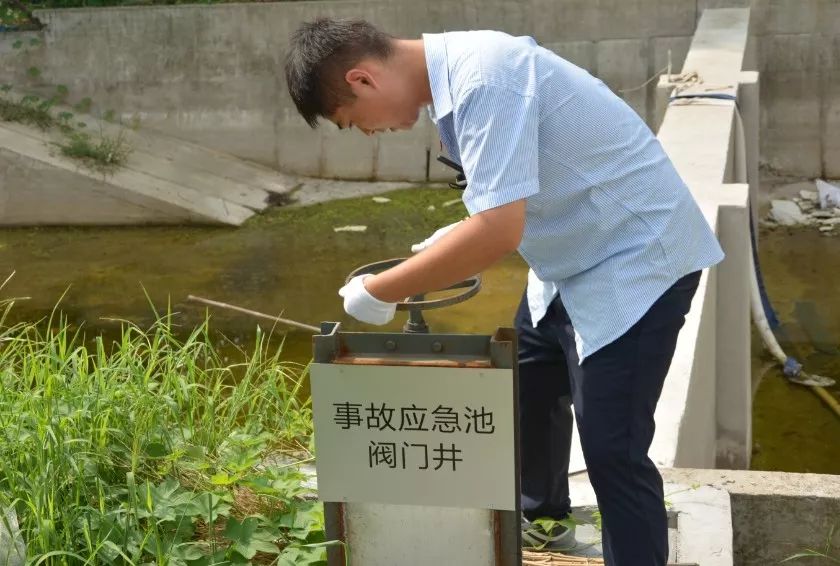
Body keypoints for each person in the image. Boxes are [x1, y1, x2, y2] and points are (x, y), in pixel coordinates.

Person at [284, 18, 724, 566]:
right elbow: (504, 196)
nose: (369, 133)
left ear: (363, 79)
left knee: (614, 449)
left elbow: (497, 231)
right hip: (573, 255)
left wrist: (381, 290)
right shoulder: (459, 83)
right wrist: (452, 237)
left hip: (636, 257)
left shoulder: (485, 80)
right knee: (531, 388)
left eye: (353, 121)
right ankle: (543, 516)